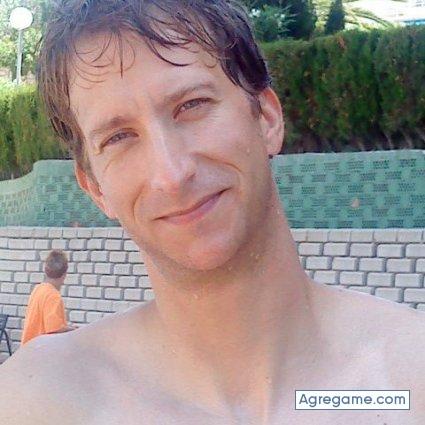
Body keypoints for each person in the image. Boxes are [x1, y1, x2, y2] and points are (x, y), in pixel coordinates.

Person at [0, 1, 424, 424]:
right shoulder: (39, 403)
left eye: (192, 105)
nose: (171, 174)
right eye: (119, 137)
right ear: (95, 188)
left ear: (267, 118)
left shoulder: (409, 379)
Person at [21, 250, 76, 345]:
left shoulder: (38, 289)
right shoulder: (53, 296)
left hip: (28, 348)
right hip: (41, 350)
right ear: (64, 275)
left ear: (45, 271)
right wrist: (73, 330)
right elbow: (54, 329)